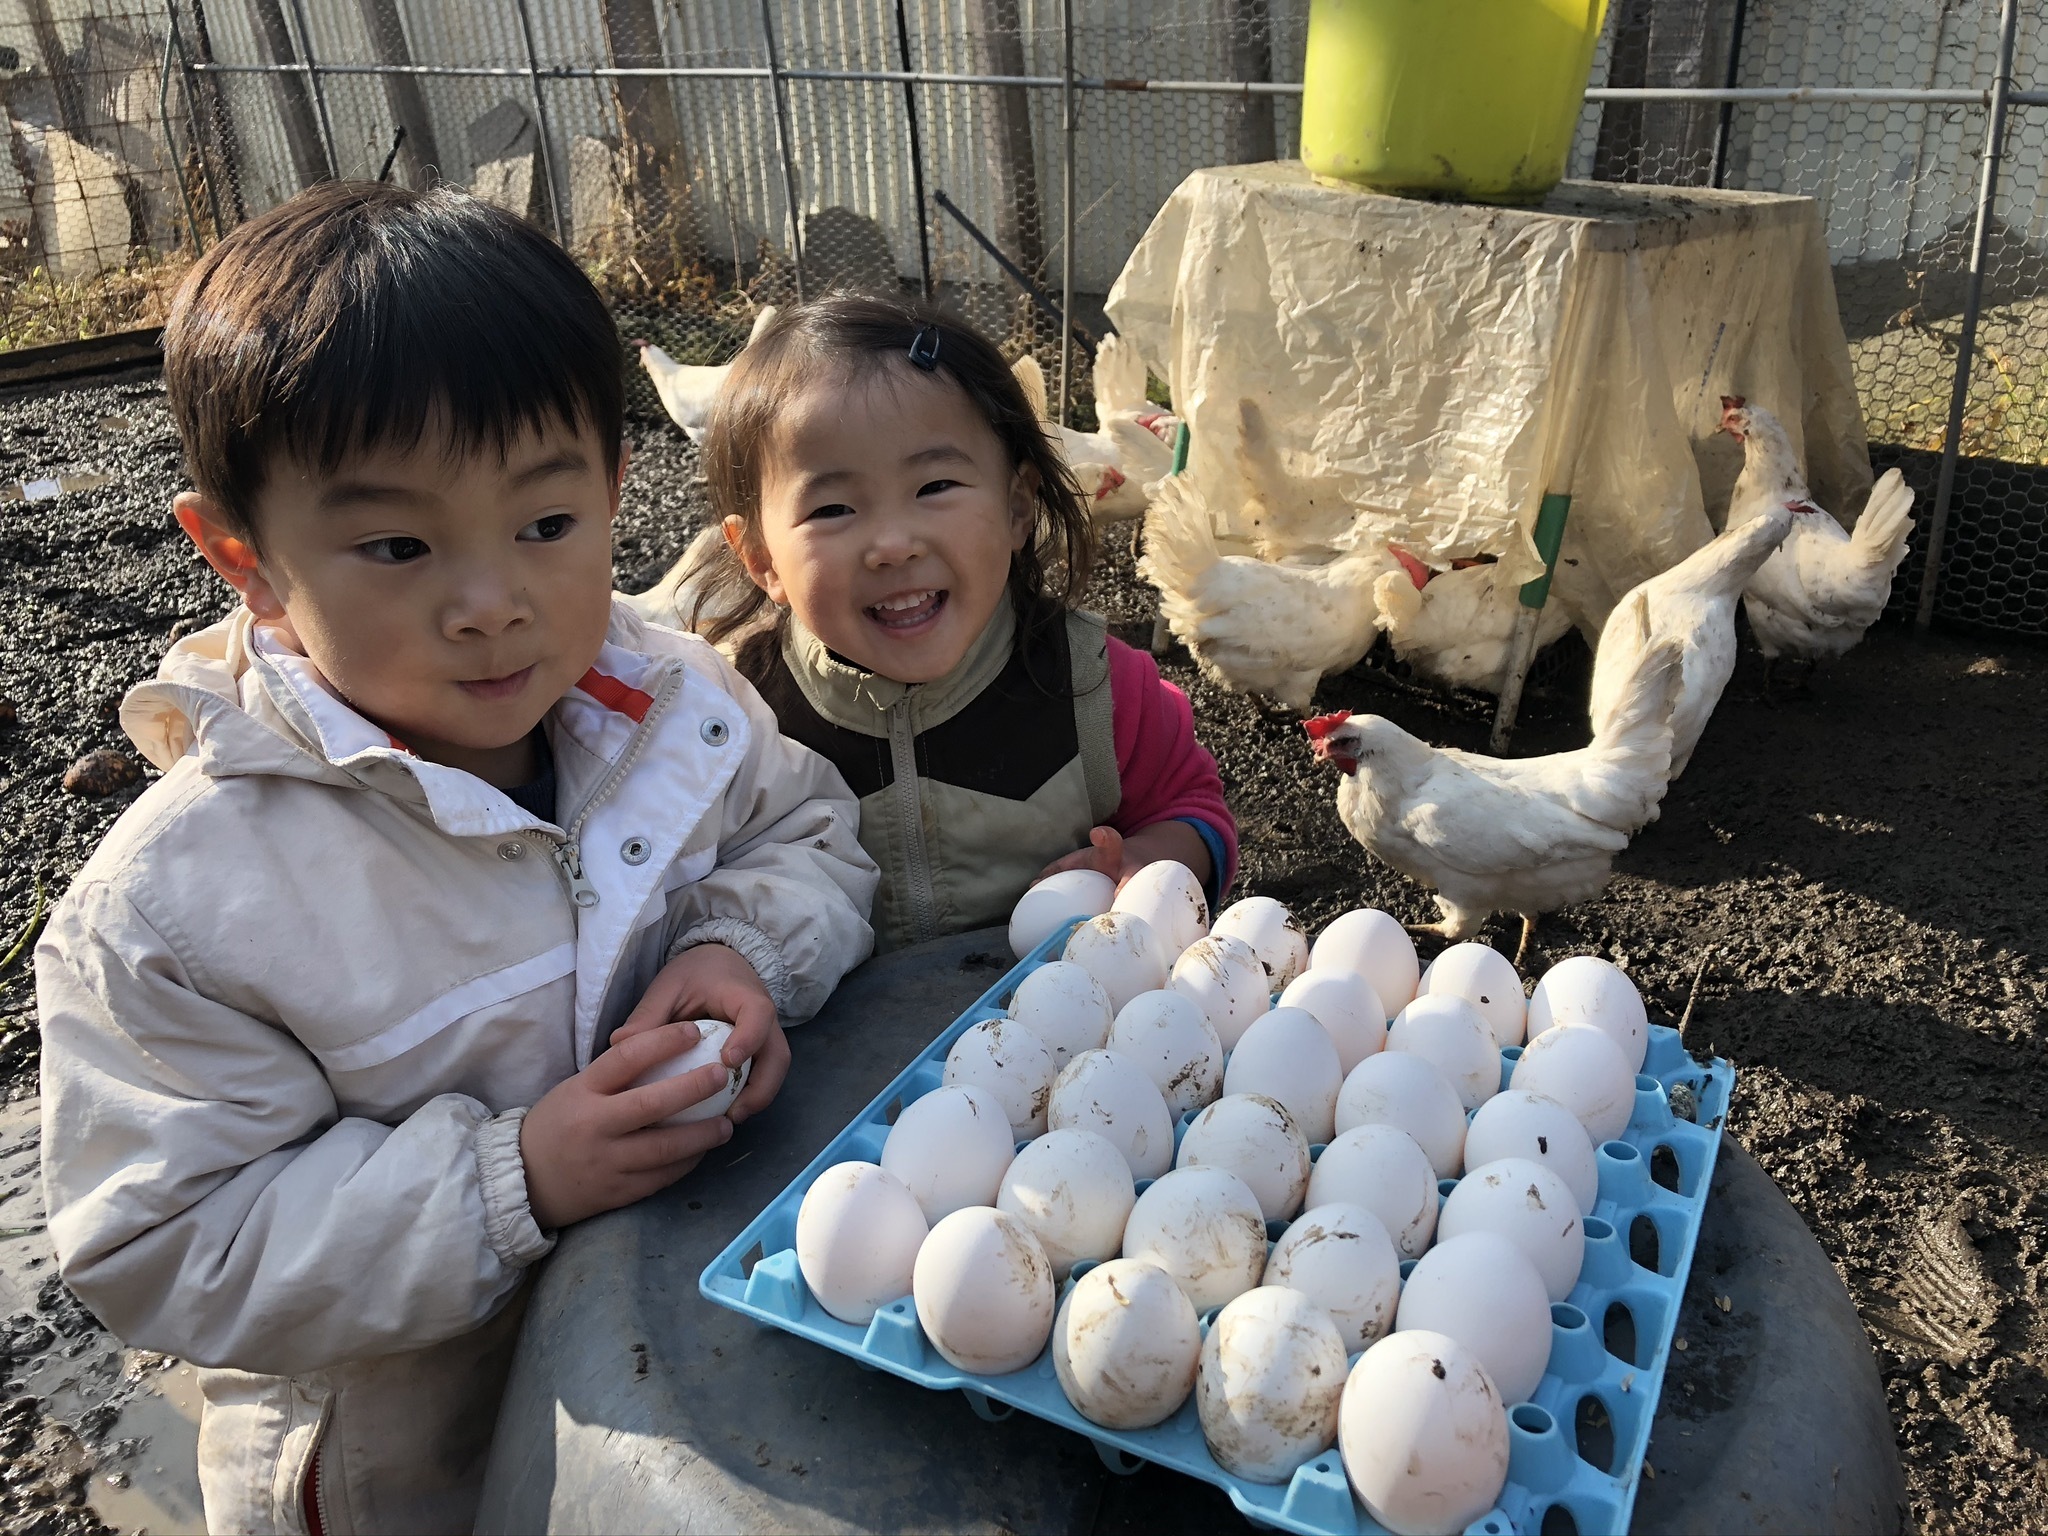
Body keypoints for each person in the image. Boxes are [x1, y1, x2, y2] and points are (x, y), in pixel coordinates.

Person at [34, 182, 878, 1535]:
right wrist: (513, 1180)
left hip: (677, 1382)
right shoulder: (181, 910)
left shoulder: (675, 710)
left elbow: (808, 834)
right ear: (242, 560)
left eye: (546, 526)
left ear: (613, 491)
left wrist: (742, 950)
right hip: (405, 1474)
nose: (490, 604)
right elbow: (169, 1243)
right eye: (397, 545)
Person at [679, 295, 1236, 951]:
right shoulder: (735, 717)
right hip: (841, 1052)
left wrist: (1150, 864)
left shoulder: (1098, 688)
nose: (893, 544)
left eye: (935, 487)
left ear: (1018, 506)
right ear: (762, 557)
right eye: (832, 508)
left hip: (1073, 1036)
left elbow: (1194, 812)